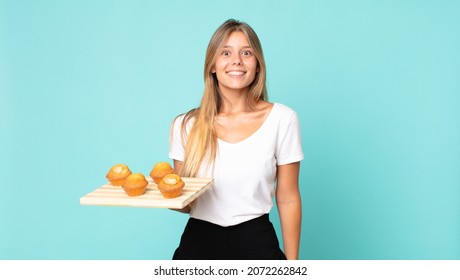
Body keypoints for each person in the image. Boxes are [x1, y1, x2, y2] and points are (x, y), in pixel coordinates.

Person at [169, 19, 304, 260]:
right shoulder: (186, 125)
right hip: (198, 245)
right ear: (212, 65)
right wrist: (164, 195)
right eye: (226, 52)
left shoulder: (282, 119)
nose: (236, 61)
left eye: (246, 53)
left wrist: (293, 267)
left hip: (257, 242)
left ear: (258, 65)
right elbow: (186, 204)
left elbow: (288, 197)